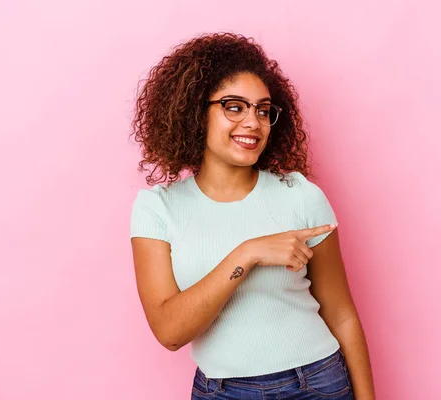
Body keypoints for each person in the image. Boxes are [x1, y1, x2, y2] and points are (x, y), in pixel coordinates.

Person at [129, 32, 375, 400]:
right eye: (234, 106)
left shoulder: (300, 195)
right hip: (224, 392)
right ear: (197, 112)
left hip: (317, 383)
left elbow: (342, 315)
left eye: (263, 110)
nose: (253, 122)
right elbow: (170, 331)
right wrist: (248, 253)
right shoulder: (157, 209)